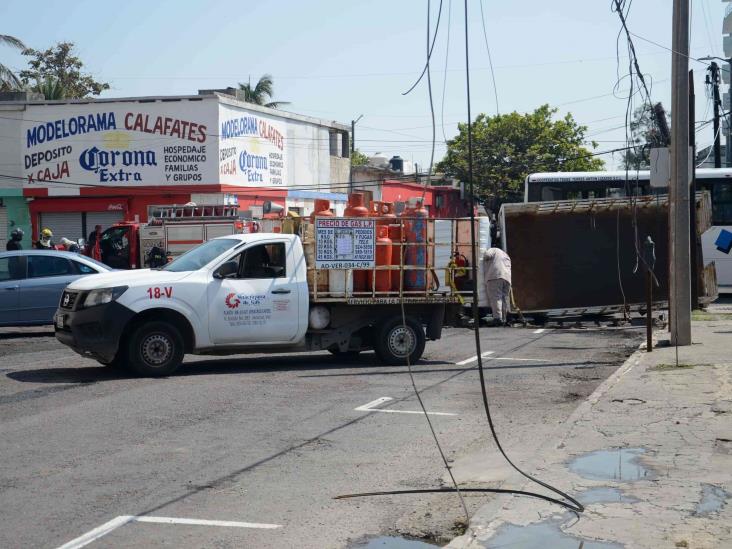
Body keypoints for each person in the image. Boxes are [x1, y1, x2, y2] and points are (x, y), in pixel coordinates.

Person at [483, 247, 512, 326]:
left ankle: (497, 319)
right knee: (505, 298)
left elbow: (487, 255)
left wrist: (483, 256)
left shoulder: (493, 249)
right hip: (507, 278)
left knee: (496, 297)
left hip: (495, 276)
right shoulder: (506, 255)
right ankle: (506, 319)